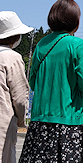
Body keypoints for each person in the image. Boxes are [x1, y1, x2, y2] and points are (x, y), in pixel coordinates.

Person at [19, 0, 83, 163]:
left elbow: (32, 83)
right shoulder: (79, 45)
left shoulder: (41, 45)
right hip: (69, 122)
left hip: (40, 122)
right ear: (76, 21)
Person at [0, 11, 33, 163]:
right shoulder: (12, 57)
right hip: (3, 123)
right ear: (14, 36)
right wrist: (21, 120)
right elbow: (20, 97)